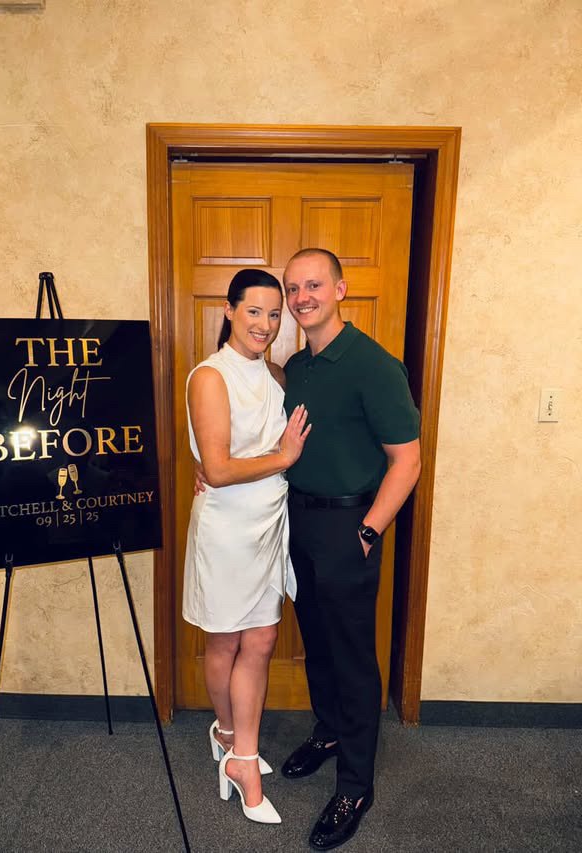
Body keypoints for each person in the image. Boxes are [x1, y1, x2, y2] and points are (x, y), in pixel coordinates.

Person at [280, 248, 421, 850]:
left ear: (341, 289)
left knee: (354, 658)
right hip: (299, 521)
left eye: (313, 284)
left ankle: (355, 785)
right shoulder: (295, 365)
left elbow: (407, 461)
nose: (301, 296)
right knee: (316, 643)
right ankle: (330, 731)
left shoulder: (373, 365)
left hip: (349, 529)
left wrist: (369, 531)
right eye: (293, 288)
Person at [183, 268, 311, 825]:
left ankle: (240, 755)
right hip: (227, 529)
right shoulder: (209, 377)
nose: (265, 323)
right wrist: (281, 459)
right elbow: (216, 467)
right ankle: (234, 740)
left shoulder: (278, 376)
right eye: (254, 311)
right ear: (230, 311)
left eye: (274, 313)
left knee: (261, 638)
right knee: (225, 641)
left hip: (268, 522)